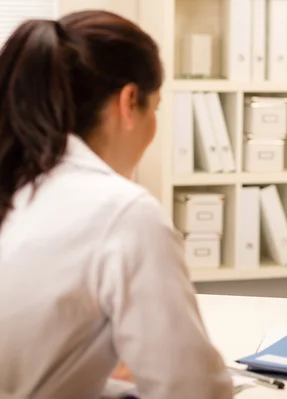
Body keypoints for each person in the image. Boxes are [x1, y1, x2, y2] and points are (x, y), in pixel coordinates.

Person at [0, 11, 232, 399]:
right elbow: (191, 390)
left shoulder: (17, 183)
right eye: (154, 107)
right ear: (129, 102)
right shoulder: (123, 212)